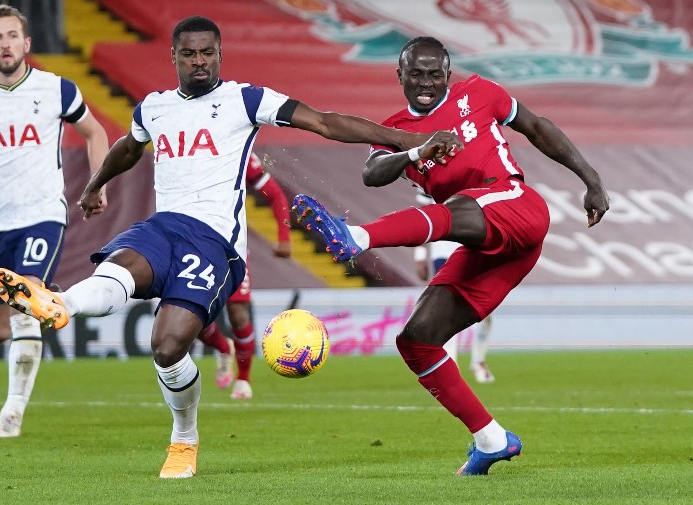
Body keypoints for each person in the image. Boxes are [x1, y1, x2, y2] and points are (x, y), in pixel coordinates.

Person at [0, 16, 459, 479]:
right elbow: (129, 147)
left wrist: (412, 140)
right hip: (162, 226)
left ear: (219, 55)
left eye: (207, 53)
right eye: (190, 53)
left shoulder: (246, 99)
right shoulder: (153, 108)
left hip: (215, 242)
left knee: (167, 346)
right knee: (118, 268)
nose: (199, 62)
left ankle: (184, 436)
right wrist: (96, 184)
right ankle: (58, 302)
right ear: (173, 56)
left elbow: (325, 122)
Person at [293, 36, 608, 476]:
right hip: (486, 246)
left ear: (448, 74)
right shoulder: (396, 127)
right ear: (399, 75)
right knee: (417, 340)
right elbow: (372, 173)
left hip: (518, 205)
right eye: (417, 74)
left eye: (435, 74)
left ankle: (358, 237)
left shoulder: (481, 92)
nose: (426, 83)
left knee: (457, 208)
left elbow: (536, 126)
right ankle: (492, 439)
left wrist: (589, 178)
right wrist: (417, 150)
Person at [0, 4, 110, 438]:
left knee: (25, 305)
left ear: (27, 44)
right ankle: (50, 301)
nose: (6, 44)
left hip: (42, 214)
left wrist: (96, 184)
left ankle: (12, 413)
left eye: (13, 35)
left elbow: (96, 132)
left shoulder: (56, 89)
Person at [196, 151, 293, 399]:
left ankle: (243, 379)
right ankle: (222, 347)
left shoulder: (238, 150)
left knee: (238, 316)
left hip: (232, 249)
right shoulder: (186, 150)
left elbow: (275, 194)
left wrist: (283, 236)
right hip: (194, 246)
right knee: (192, 316)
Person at [414, 192, 495, 384]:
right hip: (443, 252)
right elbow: (424, 217)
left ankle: (478, 361)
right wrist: (419, 255)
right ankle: (451, 369)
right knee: (447, 311)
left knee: (486, 311)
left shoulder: (477, 171)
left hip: (475, 249)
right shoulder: (429, 171)